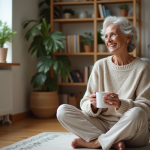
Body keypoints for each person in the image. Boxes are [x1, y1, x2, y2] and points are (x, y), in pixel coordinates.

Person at [56, 16, 150, 150]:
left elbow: (146, 109)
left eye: (113, 34)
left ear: (128, 38)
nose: (108, 40)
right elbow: (84, 103)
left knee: (137, 113)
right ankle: (111, 142)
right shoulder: (100, 66)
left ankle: (95, 143)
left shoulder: (142, 67)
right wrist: (93, 106)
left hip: (132, 130)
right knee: (62, 111)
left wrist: (121, 104)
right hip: (102, 124)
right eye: (106, 36)